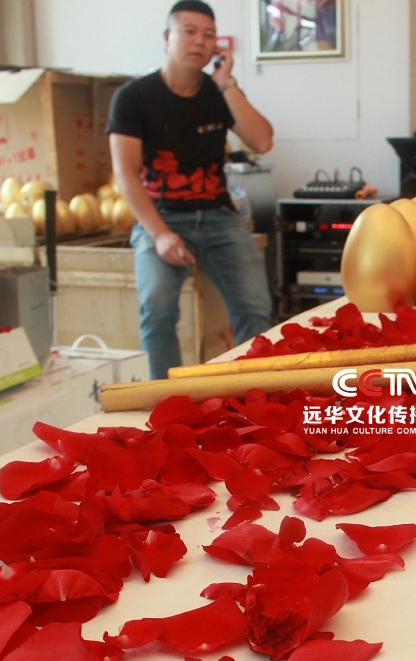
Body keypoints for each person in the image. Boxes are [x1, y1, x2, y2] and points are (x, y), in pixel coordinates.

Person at [108, 0, 275, 380]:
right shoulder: (133, 97)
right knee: (157, 308)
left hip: (218, 216)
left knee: (255, 307)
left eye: (209, 35)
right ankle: (166, 397)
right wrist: (159, 235)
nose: (199, 41)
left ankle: (254, 392)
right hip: (161, 216)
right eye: (189, 31)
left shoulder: (220, 93)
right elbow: (125, 175)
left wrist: (226, 82)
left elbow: (262, 141)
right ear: (167, 37)